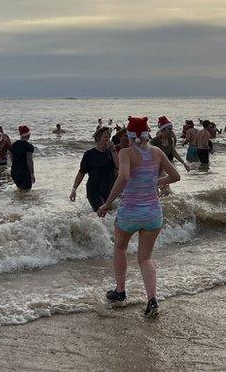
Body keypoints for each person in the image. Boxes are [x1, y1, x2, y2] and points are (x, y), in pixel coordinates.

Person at [97, 117, 181, 316]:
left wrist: (108, 203)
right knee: (145, 258)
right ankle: (152, 300)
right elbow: (176, 176)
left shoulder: (126, 152)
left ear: (130, 135)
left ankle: (120, 291)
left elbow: (124, 176)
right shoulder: (157, 152)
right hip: (153, 214)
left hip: (130, 214)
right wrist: (154, 181)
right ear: (147, 133)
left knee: (120, 247)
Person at [71, 126, 118, 211]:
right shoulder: (89, 154)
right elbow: (81, 173)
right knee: (102, 212)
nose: (108, 140)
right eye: (105, 137)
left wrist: (113, 150)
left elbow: (118, 166)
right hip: (94, 190)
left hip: (109, 189)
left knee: (109, 214)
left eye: (109, 138)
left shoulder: (111, 152)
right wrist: (74, 190)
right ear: (98, 138)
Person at [9, 126, 36, 191]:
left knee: (20, 191)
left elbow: (11, 158)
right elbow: (29, 161)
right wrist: (32, 174)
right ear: (28, 135)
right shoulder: (29, 146)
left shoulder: (14, 145)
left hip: (14, 172)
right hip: (24, 173)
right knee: (26, 193)